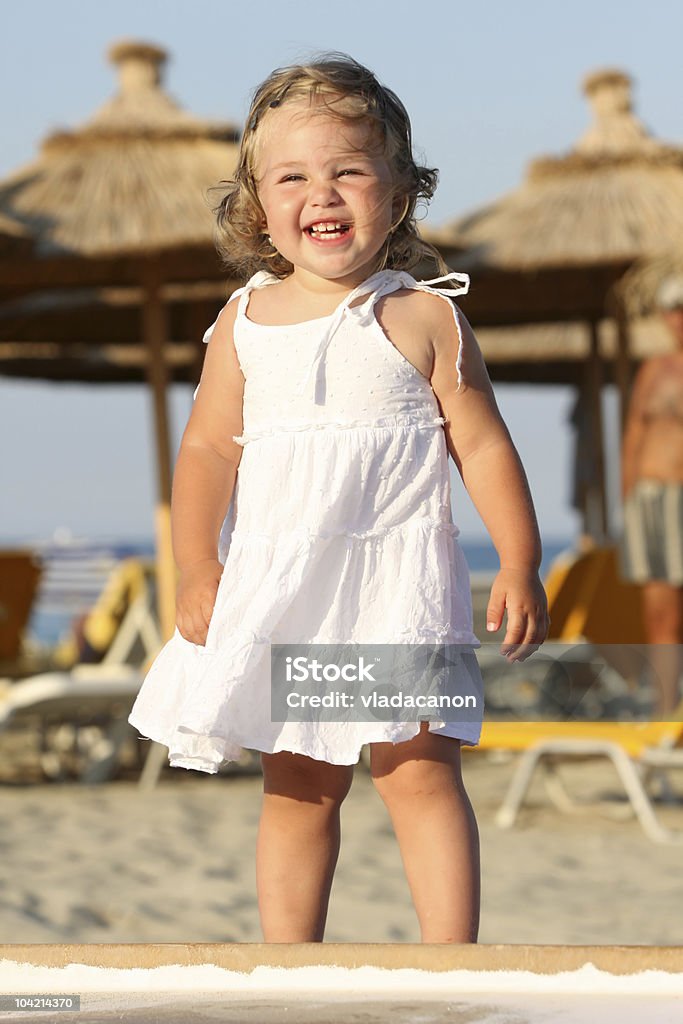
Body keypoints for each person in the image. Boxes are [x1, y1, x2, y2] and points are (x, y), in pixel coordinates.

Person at [128, 54, 549, 944]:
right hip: (291, 591)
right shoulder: (243, 324)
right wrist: (197, 560)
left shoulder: (424, 316)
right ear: (257, 205)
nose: (321, 192)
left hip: (395, 590)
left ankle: (450, 962)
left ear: (397, 196)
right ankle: (290, 965)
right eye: (292, 177)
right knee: (299, 781)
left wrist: (518, 558)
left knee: (418, 771)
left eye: (348, 170)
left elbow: (480, 442)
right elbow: (206, 449)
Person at [620, 274, 683, 717]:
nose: (680, 317)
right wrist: (627, 500)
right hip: (648, 500)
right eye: (674, 308)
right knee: (660, 616)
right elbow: (634, 434)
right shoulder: (652, 369)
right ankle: (666, 714)